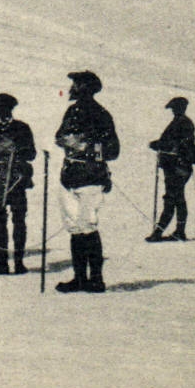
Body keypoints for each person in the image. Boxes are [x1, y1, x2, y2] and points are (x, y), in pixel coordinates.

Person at [53, 70, 118, 294]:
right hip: (69, 176)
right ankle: (79, 278)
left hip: (91, 176)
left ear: (87, 88)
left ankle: (96, 279)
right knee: (74, 227)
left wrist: (87, 147)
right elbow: (59, 136)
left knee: (88, 225)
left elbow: (113, 150)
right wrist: (67, 141)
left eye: (76, 84)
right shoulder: (71, 111)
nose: (72, 88)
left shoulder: (101, 114)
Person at [0, 93, 35, 274]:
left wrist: (16, 149)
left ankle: (19, 263)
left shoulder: (22, 128)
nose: (1, 112)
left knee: (18, 221)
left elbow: (31, 154)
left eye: (4, 109)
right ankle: (1, 263)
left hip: (16, 181)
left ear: (11, 109)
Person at [147, 96, 195, 242]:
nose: (174, 111)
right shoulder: (180, 122)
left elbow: (180, 145)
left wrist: (161, 145)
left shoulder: (183, 123)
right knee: (177, 198)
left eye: (175, 108)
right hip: (175, 167)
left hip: (178, 167)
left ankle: (160, 231)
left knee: (172, 198)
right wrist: (160, 144)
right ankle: (178, 231)